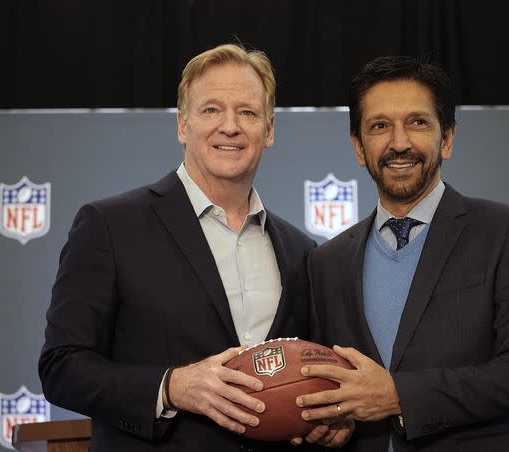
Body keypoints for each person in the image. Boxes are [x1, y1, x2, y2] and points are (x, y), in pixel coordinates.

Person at [38, 43, 321, 452]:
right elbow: (61, 367)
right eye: (211, 110)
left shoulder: (301, 252)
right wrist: (171, 386)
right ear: (182, 126)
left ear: (270, 130)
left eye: (247, 112)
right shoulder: (110, 226)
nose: (230, 126)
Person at [296, 56, 509, 452]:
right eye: (379, 126)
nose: (399, 143)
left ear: (447, 138)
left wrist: (398, 394)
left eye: (417, 123)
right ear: (359, 148)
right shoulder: (326, 261)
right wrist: (330, 424)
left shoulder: (505, 232)